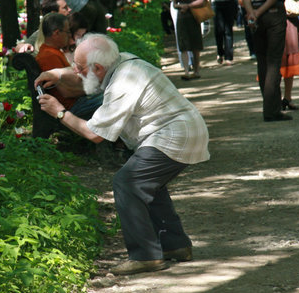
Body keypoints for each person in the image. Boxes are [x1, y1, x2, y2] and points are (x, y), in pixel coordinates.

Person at [34, 33, 209, 276]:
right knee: (148, 185)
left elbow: (94, 134)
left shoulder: (122, 84)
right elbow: (84, 70)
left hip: (174, 135)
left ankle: (145, 256)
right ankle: (176, 246)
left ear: (98, 67)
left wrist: (60, 113)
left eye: (79, 67)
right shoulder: (121, 61)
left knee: (127, 182)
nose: (76, 71)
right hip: (179, 131)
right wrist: (57, 73)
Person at [239, 0, 293, 122]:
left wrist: (251, 12)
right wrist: (260, 11)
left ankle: (269, 104)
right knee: (273, 62)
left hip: (254, 16)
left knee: (261, 61)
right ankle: (271, 110)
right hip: (274, 14)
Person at [35, 13, 101, 119]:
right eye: (67, 32)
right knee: (112, 97)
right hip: (72, 107)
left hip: (77, 101)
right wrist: (95, 89)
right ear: (56, 33)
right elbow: (66, 91)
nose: (70, 35)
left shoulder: (53, 51)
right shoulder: (49, 55)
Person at [171, 0, 205, 80]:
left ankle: (196, 70)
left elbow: (201, 0)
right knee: (183, 45)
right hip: (181, 18)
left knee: (195, 44)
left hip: (193, 18)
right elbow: (174, 2)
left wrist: (188, 6)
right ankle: (186, 71)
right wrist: (180, 6)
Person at [40, 0, 108, 33]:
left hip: (83, 8)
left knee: (82, 36)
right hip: (94, 2)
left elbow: (43, 7)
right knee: (101, 36)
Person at [281, 0, 299, 110]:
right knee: (287, 60)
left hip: (271, 16)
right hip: (285, 22)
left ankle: (279, 98)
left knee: (279, 61)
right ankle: (287, 97)